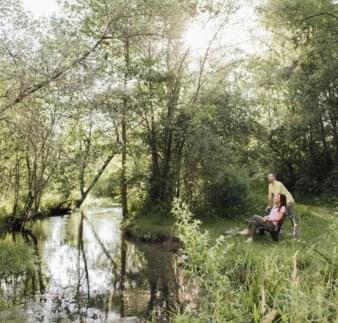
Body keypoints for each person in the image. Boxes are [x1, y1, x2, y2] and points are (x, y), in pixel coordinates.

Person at [267, 173, 298, 237]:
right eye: (268, 177)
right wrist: (269, 205)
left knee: (290, 216)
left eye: (270, 176)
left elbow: (277, 195)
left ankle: (295, 231)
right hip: (282, 202)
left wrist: (274, 207)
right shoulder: (270, 185)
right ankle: (277, 231)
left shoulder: (279, 184)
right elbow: (270, 196)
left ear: (274, 177)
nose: (269, 178)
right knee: (282, 216)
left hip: (289, 200)